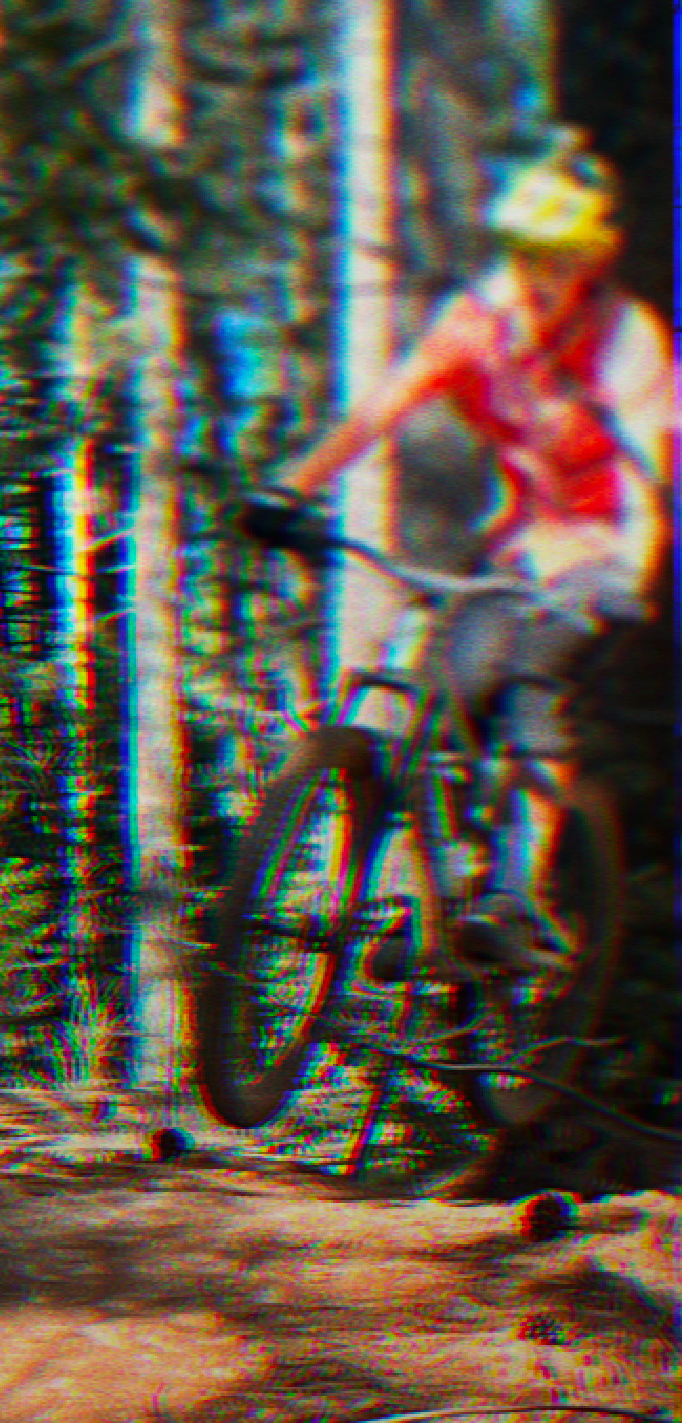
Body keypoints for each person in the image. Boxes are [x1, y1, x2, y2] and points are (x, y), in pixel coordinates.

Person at [247, 130, 674, 977]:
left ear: (587, 261)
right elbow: (381, 407)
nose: (531, 272)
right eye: (522, 253)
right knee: (446, 687)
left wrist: (629, 568)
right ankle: (441, 906)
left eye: (552, 257)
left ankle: (516, 896)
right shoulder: (478, 320)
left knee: (531, 686)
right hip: (515, 550)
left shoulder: (627, 340)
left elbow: (648, 471)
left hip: (598, 552)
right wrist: (292, 489)